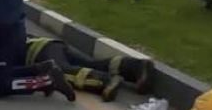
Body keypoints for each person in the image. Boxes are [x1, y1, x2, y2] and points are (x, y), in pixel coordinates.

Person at [23, 37, 156, 101]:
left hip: (38, 52)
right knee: (92, 63)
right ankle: (136, 66)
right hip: (52, 43)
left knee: (61, 71)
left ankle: (104, 80)